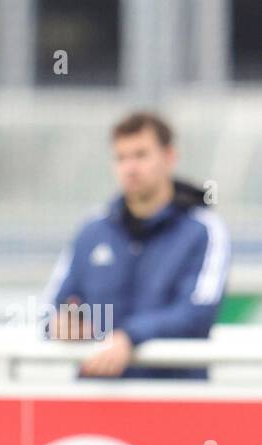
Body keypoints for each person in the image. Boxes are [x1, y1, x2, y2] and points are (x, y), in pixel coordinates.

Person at [43, 110, 230, 379]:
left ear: (169, 157)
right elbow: (51, 308)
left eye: (141, 155)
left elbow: (196, 313)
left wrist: (130, 337)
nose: (130, 168)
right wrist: (62, 325)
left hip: (174, 403)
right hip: (96, 402)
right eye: (121, 158)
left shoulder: (204, 230)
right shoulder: (92, 230)